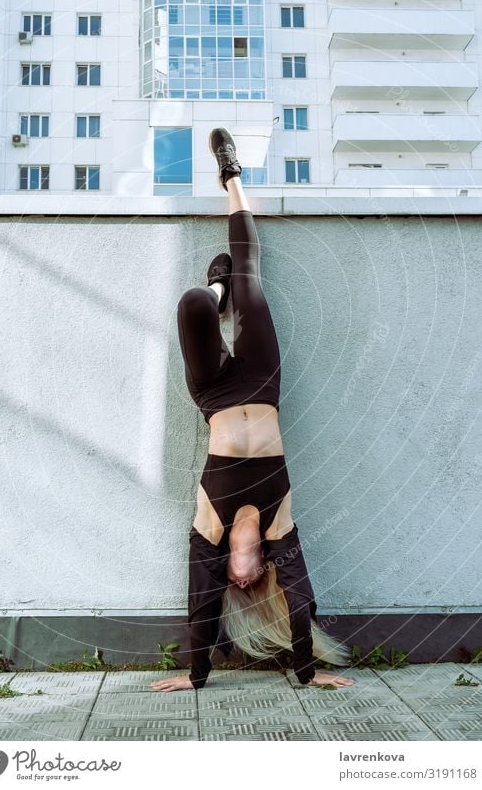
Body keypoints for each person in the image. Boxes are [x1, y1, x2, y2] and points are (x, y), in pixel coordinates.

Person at [150, 128, 355, 693]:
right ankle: (232, 176)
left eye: (232, 584)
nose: (238, 583)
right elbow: (301, 592)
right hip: (263, 384)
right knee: (251, 273)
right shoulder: (278, 525)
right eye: (251, 583)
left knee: (192, 305)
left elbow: (200, 596)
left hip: (214, 394)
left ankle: (216, 291)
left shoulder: (208, 529)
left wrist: (195, 675)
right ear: (260, 571)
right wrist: (308, 672)